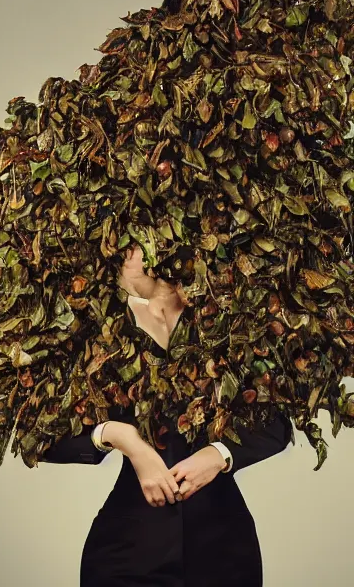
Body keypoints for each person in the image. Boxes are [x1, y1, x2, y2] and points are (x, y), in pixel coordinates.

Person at [39, 244, 293, 586]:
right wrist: (123, 437)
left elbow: (275, 423)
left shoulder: (226, 318)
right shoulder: (91, 325)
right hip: (130, 551)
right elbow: (43, 437)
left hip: (226, 551)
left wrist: (217, 455)